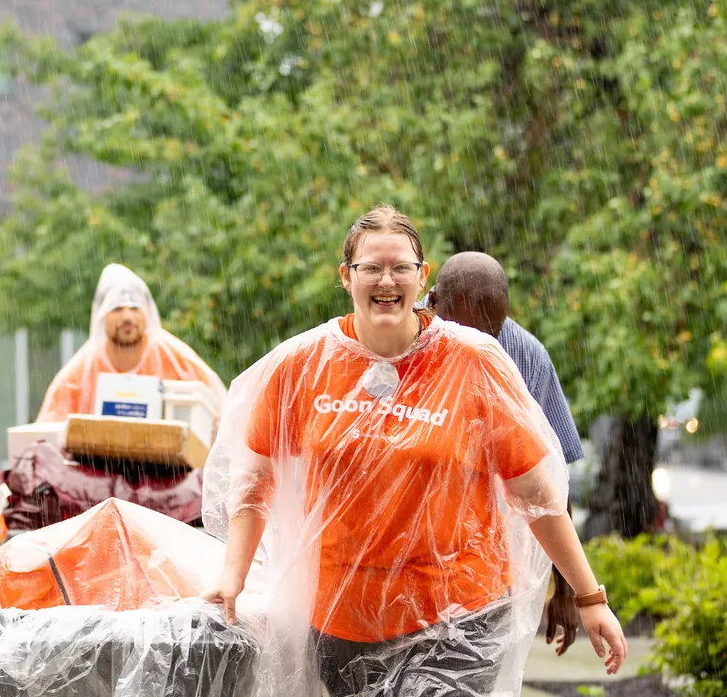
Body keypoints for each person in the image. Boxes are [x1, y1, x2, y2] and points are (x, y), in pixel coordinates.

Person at [200, 205, 626, 697]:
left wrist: (588, 595)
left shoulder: (475, 362)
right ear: (346, 276)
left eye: (400, 267)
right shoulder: (301, 365)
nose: (387, 279)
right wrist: (232, 576)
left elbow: (537, 494)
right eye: (371, 267)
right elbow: (253, 482)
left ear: (422, 277)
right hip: (343, 622)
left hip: (459, 618)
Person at [427, 251, 586, 657]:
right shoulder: (400, 340)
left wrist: (569, 591)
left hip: (487, 571)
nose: (474, 348)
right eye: (461, 331)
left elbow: (552, 483)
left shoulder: (527, 358)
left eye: (488, 334)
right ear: (431, 302)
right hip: (409, 565)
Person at [36, 263, 227, 422]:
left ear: (147, 313)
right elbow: (47, 432)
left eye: (135, 307)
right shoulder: (80, 372)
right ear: (102, 316)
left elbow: (222, 410)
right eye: (117, 308)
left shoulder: (176, 358)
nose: (127, 317)